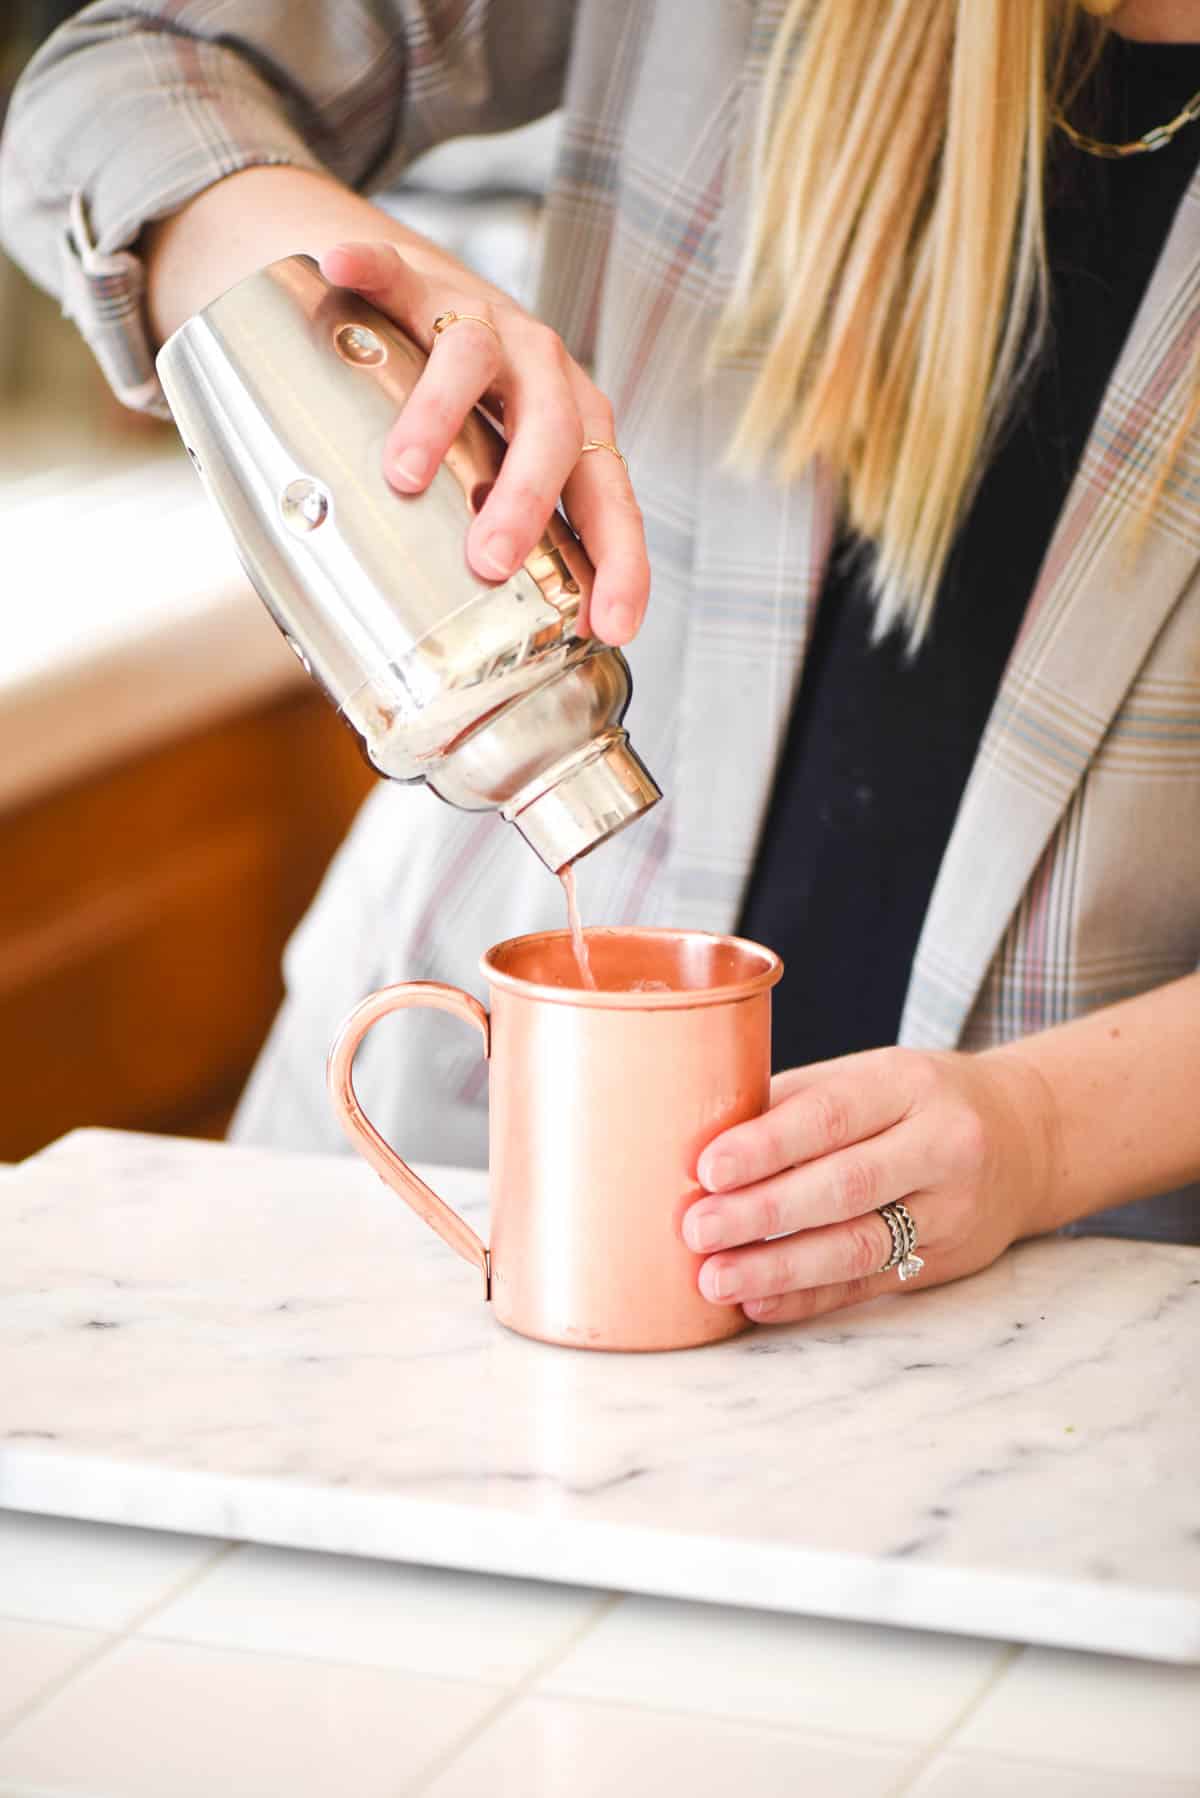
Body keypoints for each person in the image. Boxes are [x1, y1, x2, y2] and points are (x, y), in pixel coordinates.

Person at [3, 0, 1198, 1329]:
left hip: (1015, 1337)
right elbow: (117, 76)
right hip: (411, 1206)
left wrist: (1041, 1129)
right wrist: (320, 276)